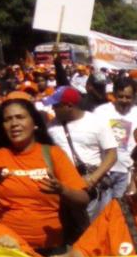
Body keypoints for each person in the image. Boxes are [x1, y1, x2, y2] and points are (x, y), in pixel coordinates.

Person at [0, 93, 90, 255]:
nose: (14, 124)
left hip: (49, 250)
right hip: (5, 248)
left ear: (35, 123)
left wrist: (62, 190)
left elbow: (83, 199)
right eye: (8, 120)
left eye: (20, 117)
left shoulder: (53, 155)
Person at [45, 86, 118, 222]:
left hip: (91, 186)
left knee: (92, 226)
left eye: (56, 105)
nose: (53, 109)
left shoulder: (97, 122)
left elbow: (112, 154)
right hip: (64, 187)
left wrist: (93, 178)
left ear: (69, 105)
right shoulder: (50, 127)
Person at [93, 77, 137, 199]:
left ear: (134, 96)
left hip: (126, 171)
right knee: (103, 210)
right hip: (103, 170)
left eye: (128, 97)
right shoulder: (101, 112)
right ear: (114, 94)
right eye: (120, 96)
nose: (124, 100)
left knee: (121, 209)